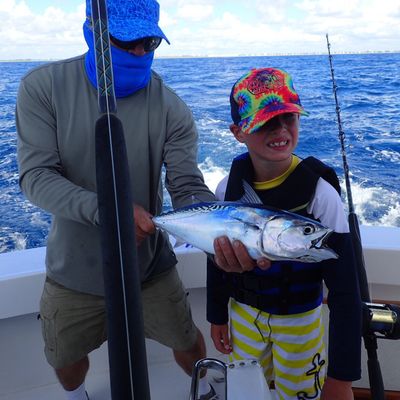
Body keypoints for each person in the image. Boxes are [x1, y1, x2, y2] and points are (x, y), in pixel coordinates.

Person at [16, 1, 218, 399]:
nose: (140, 51)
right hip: (75, 269)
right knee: (65, 360)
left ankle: (207, 391)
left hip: (149, 266)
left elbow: (186, 185)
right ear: (92, 33)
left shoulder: (171, 106)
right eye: (126, 41)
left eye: (149, 41)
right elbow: (36, 177)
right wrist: (107, 211)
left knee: (187, 341)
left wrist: (218, 229)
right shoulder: (42, 87)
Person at [207, 67, 362, 400]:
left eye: (288, 117)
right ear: (238, 132)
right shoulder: (227, 189)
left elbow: (346, 290)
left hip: (300, 322)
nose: (280, 129)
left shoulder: (321, 195)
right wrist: (216, 314)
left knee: (300, 394)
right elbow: (215, 256)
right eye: (265, 121)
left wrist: (342, 377)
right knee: (246, 391)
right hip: (243, 316)